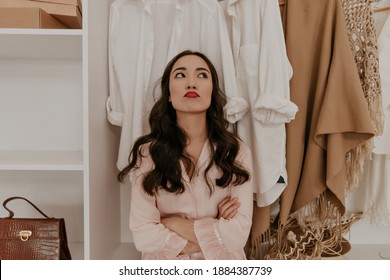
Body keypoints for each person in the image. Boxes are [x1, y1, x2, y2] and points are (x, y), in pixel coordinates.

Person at [118, 50, 254, 260]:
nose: (191, 83)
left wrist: (169, 224)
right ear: (169, 95)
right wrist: (215, 227)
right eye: (180, 75)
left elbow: (238, 235)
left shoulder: (235, 151)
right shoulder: (147, 153)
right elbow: (143, 235)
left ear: (212, 91)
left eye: (201, 75)